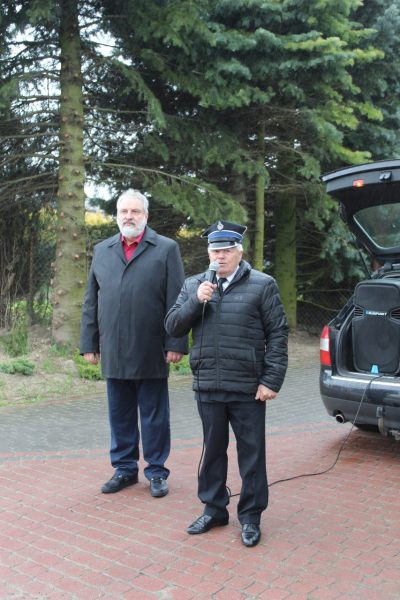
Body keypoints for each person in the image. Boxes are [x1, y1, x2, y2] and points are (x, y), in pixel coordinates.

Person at [165, 220, 288, 546]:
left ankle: (250, 517)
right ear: (208, 253)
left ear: (239, 252)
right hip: (208, 385)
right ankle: (214, 509)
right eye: (214, 251)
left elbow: (278, 333)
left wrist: (271, 380)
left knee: (252, 454)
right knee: (212, 452)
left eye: (226, 250)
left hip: (248, 387)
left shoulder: (263, 285)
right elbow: (173, 326)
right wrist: (196, 301)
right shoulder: (194, 285)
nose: (219, 256)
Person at [80, 189, 187, 498]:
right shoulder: (102, 250)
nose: (128, 216)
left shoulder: (166, 248)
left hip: (151, 348)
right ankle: (125, 469)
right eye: (123, 211)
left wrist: (176, 342)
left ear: (146, 216)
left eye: (135, 211)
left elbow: (177, 299)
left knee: (154, 415)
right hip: (113, 347)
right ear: (117, 215)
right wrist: (89, 342)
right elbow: (91, 301)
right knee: (120, 414)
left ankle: (156, 471)